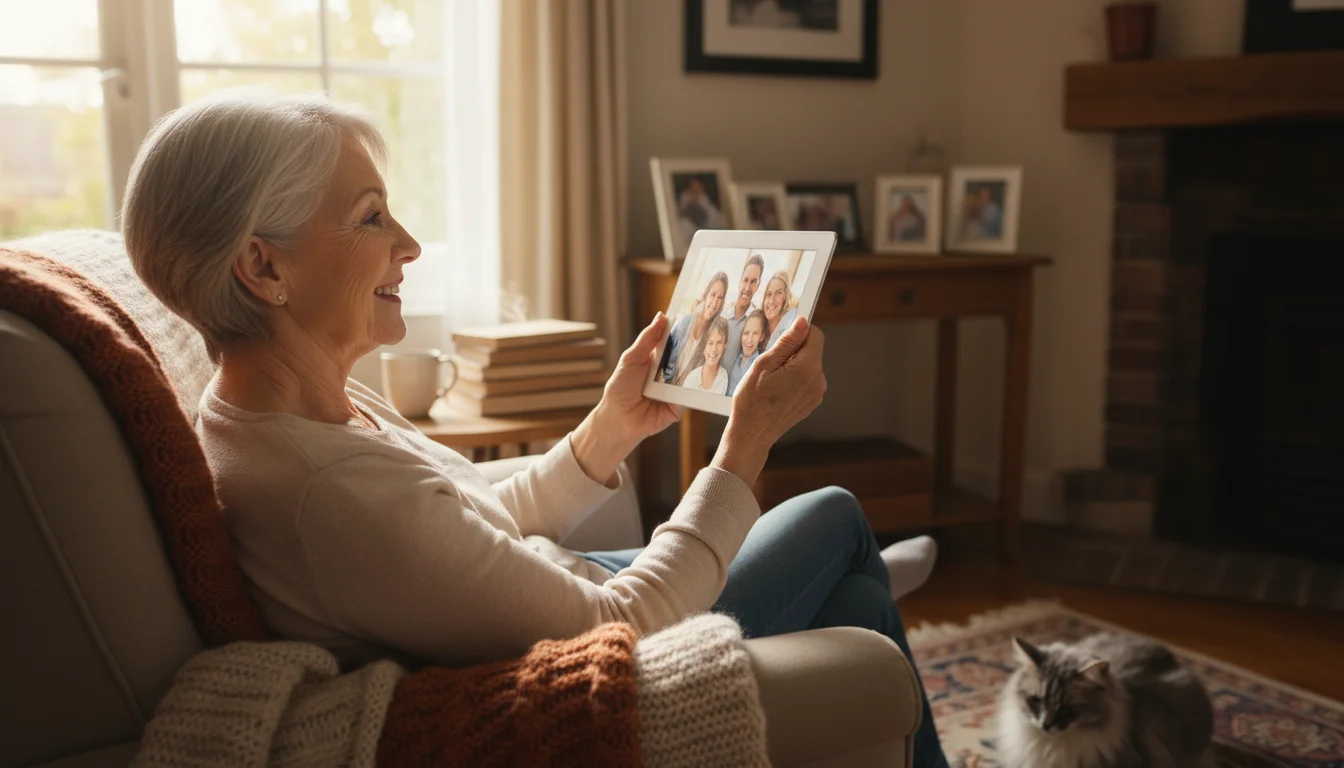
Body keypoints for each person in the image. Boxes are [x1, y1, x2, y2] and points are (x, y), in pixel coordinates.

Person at [120, 91, 948, 767]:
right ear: (265, 268)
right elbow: (617, 623)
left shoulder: (291, 405)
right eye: (372, 218)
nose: (408, 244)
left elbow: (470, 523)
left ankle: (853, 593)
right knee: (835, 518)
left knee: (853, 593)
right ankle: (853, 585)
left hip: (553, 581)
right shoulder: (323, 484)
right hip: (586, 632)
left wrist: (608, 430)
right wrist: (746, 448)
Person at [659, 270, 728, 384]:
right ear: (706, 294)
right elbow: (665, 356)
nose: (715, 302)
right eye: (713, 295)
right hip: (669, 386)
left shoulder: (713, 333)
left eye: (720, 298)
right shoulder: (685, 322)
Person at [720, 252, 764, 370]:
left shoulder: (755, 322)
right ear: (740, 281)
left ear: (758, 285)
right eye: (745, 280)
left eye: (753, 282)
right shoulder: (722, 312)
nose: (747, 288)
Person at [680, 316, 730, 395]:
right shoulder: (692, 378)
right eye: (710, 343)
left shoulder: (723, 376)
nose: (714, 349)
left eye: (719, 342)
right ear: (704, 347)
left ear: (725, 345)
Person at [726, 310, 767, 397]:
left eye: (755, 333)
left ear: (762, 337)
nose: (749, 339)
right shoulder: (734, 357)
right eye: (746, 333)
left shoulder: (760, 366)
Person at [760, 270, 800, 352]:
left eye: (778, 293)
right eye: (769, 294)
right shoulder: (758, 328)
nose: (771, 300)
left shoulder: (788, 331)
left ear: (785, 297)